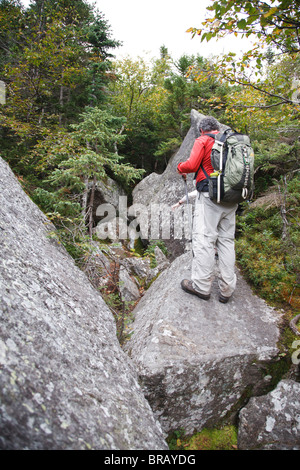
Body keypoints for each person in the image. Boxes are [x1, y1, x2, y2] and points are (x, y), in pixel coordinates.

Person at [176, 116, 238, 303]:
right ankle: (227, 289)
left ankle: (201, 286)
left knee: (204, 238)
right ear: (217, 128)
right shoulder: (231, 141)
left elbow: (192, 165)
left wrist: (180, 167)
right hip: (232, 197)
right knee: (226, 241)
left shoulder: (203, 140)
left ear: (202, 130)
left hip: (210, 196)